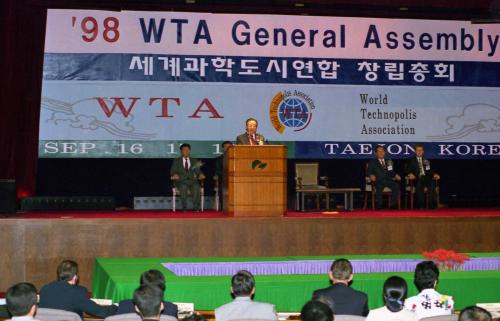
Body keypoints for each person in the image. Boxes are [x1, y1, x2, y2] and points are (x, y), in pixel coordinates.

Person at [39, 260, 117, 319]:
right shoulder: (79, 293)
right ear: (75, 277)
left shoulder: (45, 289)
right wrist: (116, 306)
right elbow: (100, 312)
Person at [170, 143, 205, 211]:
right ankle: (184, 207)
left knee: (196, 187)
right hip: (181, 181)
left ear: (190, 151)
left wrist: (201, 174)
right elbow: (173, 171)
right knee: (183, 187)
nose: (186, 151)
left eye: (188, 150)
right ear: (181, 151)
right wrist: (175, 174)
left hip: (192, 181)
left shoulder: (194, 160)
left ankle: (196, 208)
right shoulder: (176, 161)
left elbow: (198, 171)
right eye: (184, 150)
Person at [405, 143, 440, 209]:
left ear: (423, 151)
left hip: (426, 178)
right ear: (415, 151)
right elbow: (407, 171)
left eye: (421, 150)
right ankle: (421, 204)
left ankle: (431, 204)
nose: (419, 152)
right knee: (419, 184)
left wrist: (434, 174)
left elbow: (429, 170)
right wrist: (410, 174)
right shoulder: (411, 160)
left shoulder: (426, 160)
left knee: (432, 183)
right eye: (418, 150)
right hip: (417, 178)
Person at [367, 145, 401, 209]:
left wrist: (396, 175)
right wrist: (371, 175)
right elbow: (368, 172)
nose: (381, 153)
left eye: (382, 151)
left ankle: (392, 205)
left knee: (396, 186)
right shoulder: (372, 162)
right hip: (379, 180)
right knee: (379, 187)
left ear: (384, 152)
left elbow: (391, 171)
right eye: (379, 151)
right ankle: (380, 205)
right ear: (376, 153)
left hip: (389, 180)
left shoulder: (388, 161)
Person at [214, 141, 233, 210]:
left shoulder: (236, 158)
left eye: (229, 147)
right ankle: (223, 207)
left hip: (235, 179)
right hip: (224, 178)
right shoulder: (219, 159)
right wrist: (226, 176)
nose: (227, 148)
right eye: (226, 147)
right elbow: (218, 170)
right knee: (222, 185)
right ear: (223, 149)